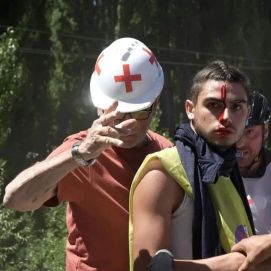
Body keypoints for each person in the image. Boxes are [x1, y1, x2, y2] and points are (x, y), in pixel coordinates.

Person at [3, 37, 173, 271]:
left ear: (155, 104)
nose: (128, 124)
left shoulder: (166, 153)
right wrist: (78, 155)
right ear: (99, 108)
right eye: (118, 114)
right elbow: (15, 199)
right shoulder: (82, 153)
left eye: (139, 112)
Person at [128, 60, 267, 271]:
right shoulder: (162, 175)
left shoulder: (227, 172)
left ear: (247, 114)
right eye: (214, 105)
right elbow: (147, 268)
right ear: (190, 109)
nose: (226, 117)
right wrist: (236, 262)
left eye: (236, 106)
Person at [236, 91, 271, 234]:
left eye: (249, 132)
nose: (239, 143)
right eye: (235, 131)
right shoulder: (214, 174)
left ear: (266, 131)